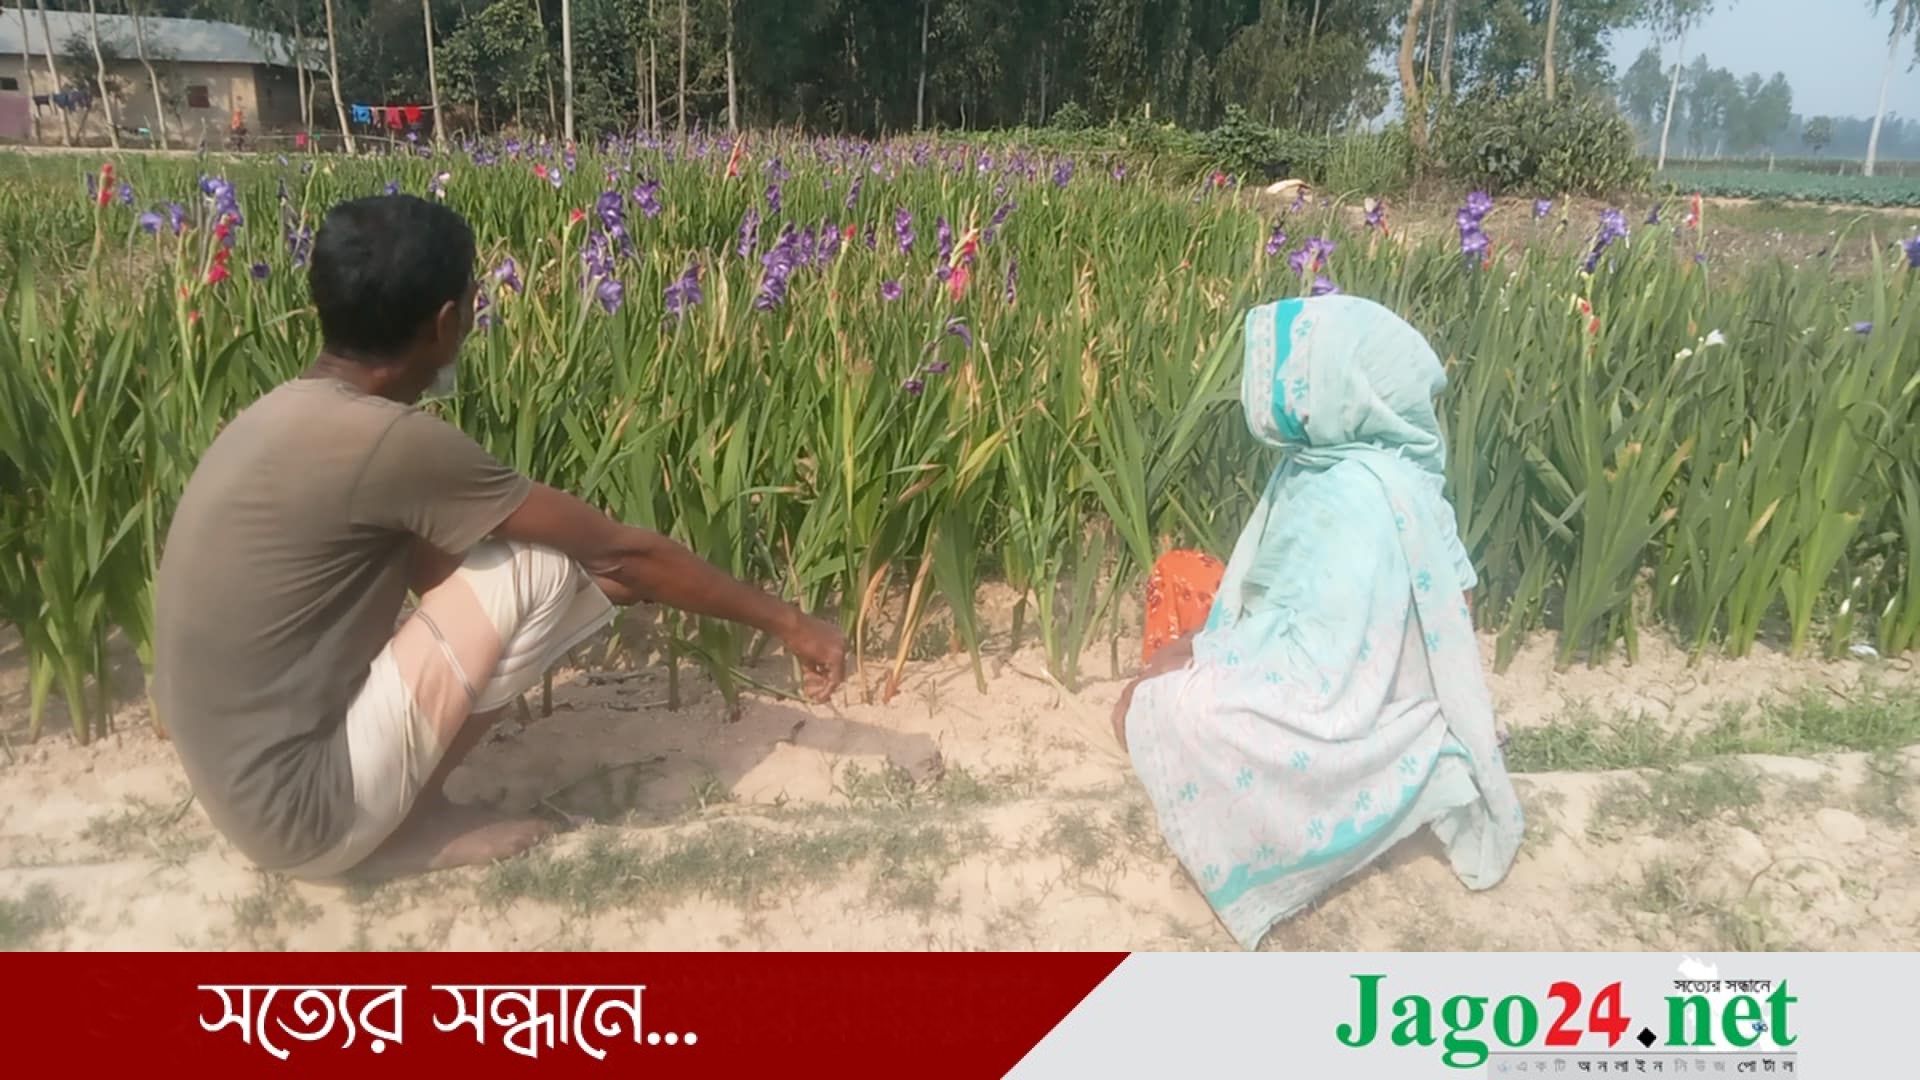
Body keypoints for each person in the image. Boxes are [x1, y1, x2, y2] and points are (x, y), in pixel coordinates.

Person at [152, 194, 847, 884]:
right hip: (308, 818)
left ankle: (396, 812)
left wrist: (607, 588)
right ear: (446, 322)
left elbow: (443, 570)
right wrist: (793, 624)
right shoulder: (388, 442)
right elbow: (621, 552)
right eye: (471, 302)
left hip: (247, 798)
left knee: (537, 570)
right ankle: (411, 828)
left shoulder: (276, 416)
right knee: (540, 570)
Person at [1112, 294, 1523, 950]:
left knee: (1144, 707)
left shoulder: (1356, 492)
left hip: (1342, 695)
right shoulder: (1367, 470)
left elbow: (1320, 663)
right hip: (1352, 668)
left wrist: (1205, 655)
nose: (1283, 398)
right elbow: (1452, 604)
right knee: (1179, 575)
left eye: (1301, 381)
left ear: (1348, 389)